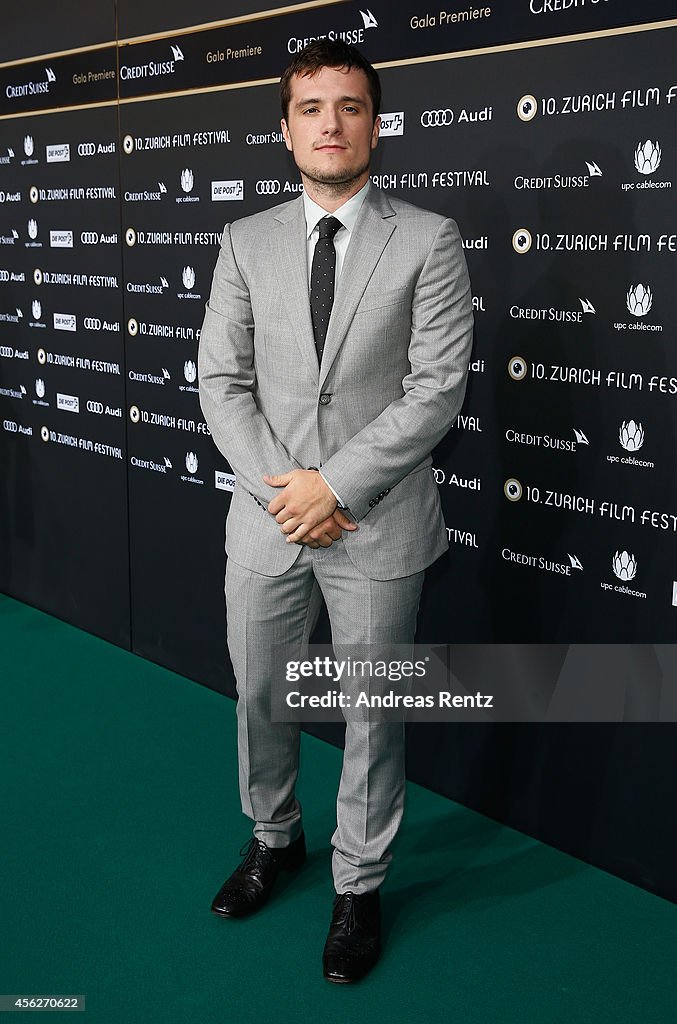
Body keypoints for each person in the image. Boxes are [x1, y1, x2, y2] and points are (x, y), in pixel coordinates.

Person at [198, 39, 473, 983]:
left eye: (349, 106)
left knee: (371, 718)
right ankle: (274, 840)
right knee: (260, 699)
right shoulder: (245, 240)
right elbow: (221, 382)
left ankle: (360, 885)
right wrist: (291, 494)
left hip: (379, 521)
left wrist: (336, 488)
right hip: (267, 521)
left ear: (374, 123)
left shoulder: (428, 239)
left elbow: (435, 392)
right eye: (311, 107)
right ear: (284, 128)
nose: (330, 123)